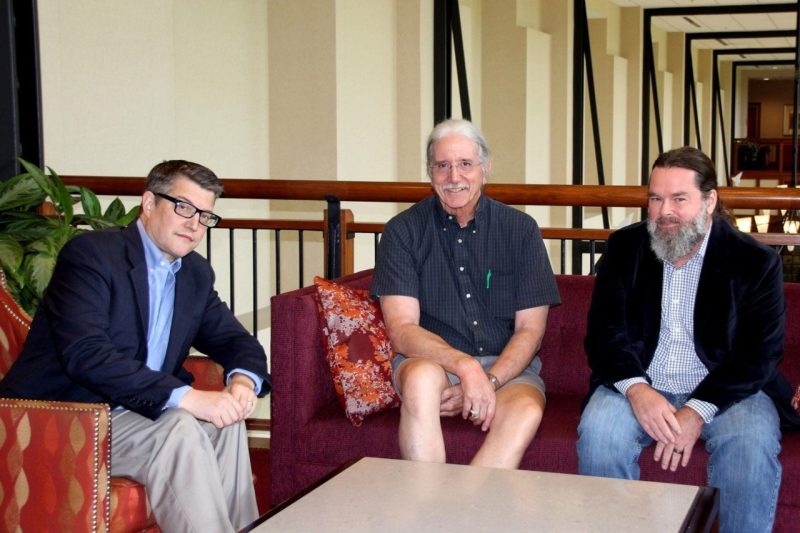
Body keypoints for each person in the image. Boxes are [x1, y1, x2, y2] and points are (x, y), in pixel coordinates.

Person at [0, 160, 270, 532]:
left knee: (224, 424)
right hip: (69, 414)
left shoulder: (194, 273)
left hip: (140, 410)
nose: (194, 224)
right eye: (184, 207)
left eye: (205, 215)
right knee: (180, 428)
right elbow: (87, 354)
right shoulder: (92, 256)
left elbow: (233, 339)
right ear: (148, 202)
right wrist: (186, 397)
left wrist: (242, 382)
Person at [576, 146, 800, 533]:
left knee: (749, 449)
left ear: (709, 200)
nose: (665, 212)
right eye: (656, 198)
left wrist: (697, 410)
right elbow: (603, 333)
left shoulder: (754, 261)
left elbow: (758, 353)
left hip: (728, 392)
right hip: (638, 381)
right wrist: (637, 390)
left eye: (679, 199)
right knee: (600, 436)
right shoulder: (625, 248)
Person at [371, 119, 560, 468]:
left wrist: (488, 379)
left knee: (526, 410)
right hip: (432, 361)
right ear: (430, 173)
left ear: (485, 170)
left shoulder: (521, 231)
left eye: (465, 164)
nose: (453, 176)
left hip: (507, 371)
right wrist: (464, 366)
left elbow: (530, 331)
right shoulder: (402, 232)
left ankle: (460, 513)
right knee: (420, 381)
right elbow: (401, 329)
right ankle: (427, 500)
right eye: (442, 166)